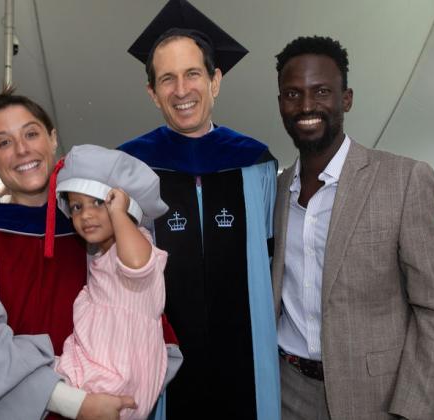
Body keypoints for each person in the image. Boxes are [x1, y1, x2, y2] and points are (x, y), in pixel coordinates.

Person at [0, 89, 181, 419]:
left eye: (31, 133)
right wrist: (73, 402)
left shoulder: (91, 229)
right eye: (4, 142)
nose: (22, 149)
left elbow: (139, 317)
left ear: (52, 139)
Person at [271, 36, 434, 419]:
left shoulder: (403, 179)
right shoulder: (273, 190)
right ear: (280, 104)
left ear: (347, 98)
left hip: (378, 397)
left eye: (321, 91)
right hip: (286, 388)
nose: (306, 106)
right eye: (292, 94)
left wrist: (412, 408)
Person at [116, 2, 280, 418]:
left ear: (215, 81)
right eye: (167, 79)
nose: (181, 89)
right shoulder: (130, 168)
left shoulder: (254, 163)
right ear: (152, 93)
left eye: (192, 74)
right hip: (161, 354)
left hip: (243, 354)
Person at [53, 145, 170, 420]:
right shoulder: (99, 255)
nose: (86, 214)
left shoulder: (135, 243)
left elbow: (137, 265)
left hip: (120, 369)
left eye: (99, 202)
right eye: (77, 207)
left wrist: (118, 212)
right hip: (98, 364)